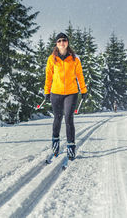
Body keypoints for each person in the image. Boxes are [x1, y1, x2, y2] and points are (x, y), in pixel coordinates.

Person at [44, 32, 87, 160]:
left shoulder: (75, 58)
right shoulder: (52, 59)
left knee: (68, 118)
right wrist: (47, 91)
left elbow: (80, 75)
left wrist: (83, 90)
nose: (62, 43)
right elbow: (49, 77)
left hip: (71, 92)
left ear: (67, 42)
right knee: (57, 118)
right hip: (55, 93)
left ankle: (71, 147)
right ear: (56, 44)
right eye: (59, 41)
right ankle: (55, 143)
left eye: (64, 40)